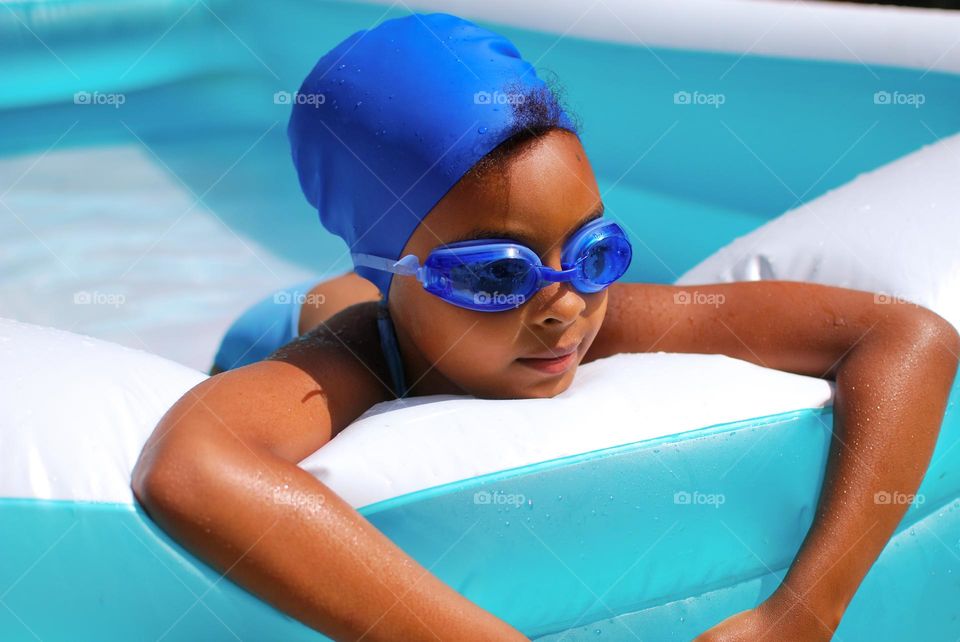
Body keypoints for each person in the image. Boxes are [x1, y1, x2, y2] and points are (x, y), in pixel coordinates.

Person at [131, 12, 960, 641]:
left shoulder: (612, 318)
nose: (564, 306)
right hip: (267, 324)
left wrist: (802, 612)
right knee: (323, 303)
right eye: (498, 274)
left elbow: (910, 337)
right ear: (394, 277)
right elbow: (193, 466)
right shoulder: (355, 359)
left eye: (595, 250)